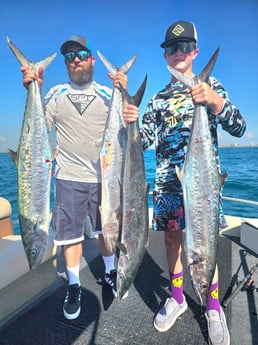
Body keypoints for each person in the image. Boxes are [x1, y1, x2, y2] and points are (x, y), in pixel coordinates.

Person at [123, 20, 246, 345]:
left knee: (207, 244)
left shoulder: (212, 85)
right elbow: (144, 139)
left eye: (184, 47)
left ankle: (213, 306)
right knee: (171, 243)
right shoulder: (159, 98)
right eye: (171, 48)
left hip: (204, 187)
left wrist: (214, 102)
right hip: (167, 185)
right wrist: (130, 124)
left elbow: (239, 127)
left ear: (195, 52)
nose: (178, 52)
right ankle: (177, 297)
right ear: (165, 56)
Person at [21, 34, 128, 320]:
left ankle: (110, 271)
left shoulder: (108, 95)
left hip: (104, 178)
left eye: (81, 55)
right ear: (66, 64)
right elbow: (38, 131)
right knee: (69, 237)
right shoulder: (55, 94)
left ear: (92, 59)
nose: (75, 60)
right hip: (67, 177)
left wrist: (125, 94)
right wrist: (34, 88)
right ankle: (74, 284)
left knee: (107, 230)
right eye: (70, 57)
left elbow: (124, 130)